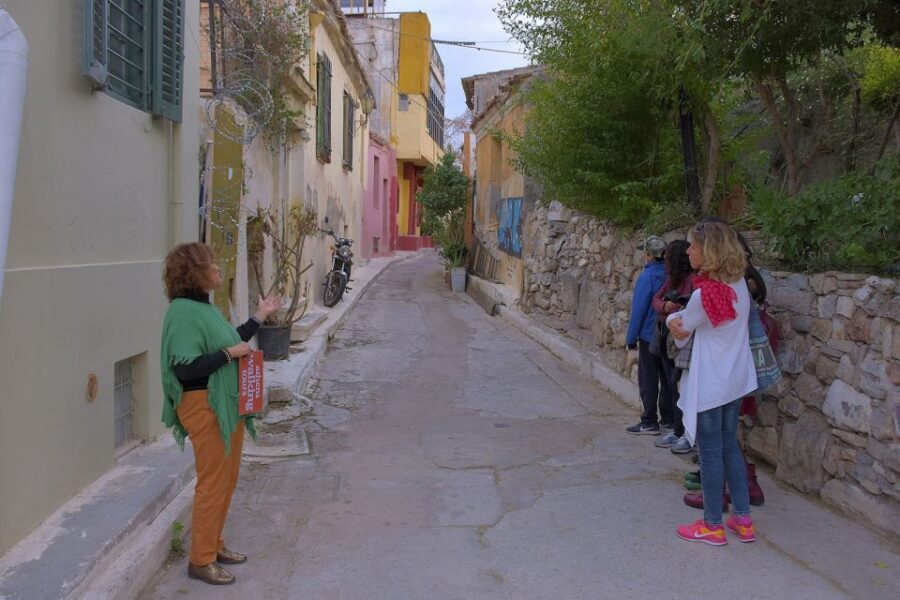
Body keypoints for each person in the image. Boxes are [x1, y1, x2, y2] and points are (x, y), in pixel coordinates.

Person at [160, 243, 281, 584]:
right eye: (211, 265)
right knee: (213, 483)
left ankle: (213, 545)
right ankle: (200, 560)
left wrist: (259, 317)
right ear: (194, 273)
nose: (217, 270)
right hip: (205, 406)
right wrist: (230, 354)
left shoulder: (204, 308)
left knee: (227, 479)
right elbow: (185, 368)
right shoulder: (183, 312)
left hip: (226, 406)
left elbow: (233, 340)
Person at [667, 222, 758, 545]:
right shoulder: (738, 286)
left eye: (693, 246)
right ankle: (744, 520)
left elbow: (681, 331)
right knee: (729, 445)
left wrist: (669, 319)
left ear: (710, 251)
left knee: (710, 451)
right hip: (735, 380)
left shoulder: (704, 294)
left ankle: (712, 524)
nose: (689, 250)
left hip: (711, 383)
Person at [625, 235, 672, 435]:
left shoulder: (647, 277)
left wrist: (630, 338)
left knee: (648, 379)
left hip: (648, 335)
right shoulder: (672, 275)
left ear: (648, 256)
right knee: (668, 378)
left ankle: (649, 420)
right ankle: (670, 419)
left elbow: (639, 310)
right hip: (669, 333)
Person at [651, 240, 695, 452]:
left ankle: (685, 433)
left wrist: (668, 309)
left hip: (681, 341)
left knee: (681, 387)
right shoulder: (672, 280)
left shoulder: (692, 281)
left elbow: (686, 307)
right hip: (667, 340)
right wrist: (666, 307)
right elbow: (656, 301)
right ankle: (678, 430)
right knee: (671, 385)